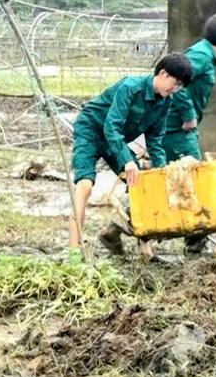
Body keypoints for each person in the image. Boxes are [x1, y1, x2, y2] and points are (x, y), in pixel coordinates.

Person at [69, 53, 193, 253]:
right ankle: (73, 253)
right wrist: (127, 161)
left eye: (180, 87)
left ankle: (146, 250)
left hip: (115, 140)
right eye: (175, 83)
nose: (175, 90)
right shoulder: (131, 87)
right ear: (162, 74)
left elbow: (155, 139)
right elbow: (111, 126)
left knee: (143, 185)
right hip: (92, 131)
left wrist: (159, 173)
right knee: (84, 185)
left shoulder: (165, 101)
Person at [162, 13, 216, 254]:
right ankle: (195, 243)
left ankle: (119, 225)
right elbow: (176, 84)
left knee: (174, 177)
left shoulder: (204, 55)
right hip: (177, 129)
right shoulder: (200, 57)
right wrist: (188, 115)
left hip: (178, 128)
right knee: (193, 179)